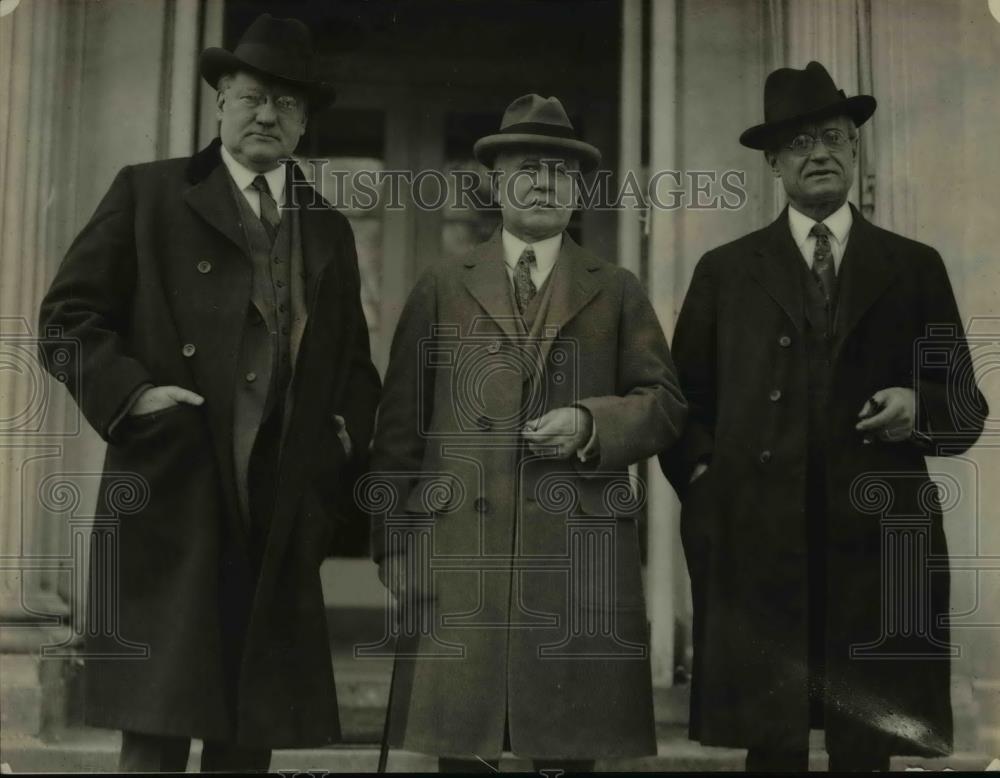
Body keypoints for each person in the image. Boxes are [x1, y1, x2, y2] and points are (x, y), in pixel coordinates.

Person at [37, 14, 380, 773]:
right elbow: (66, 319)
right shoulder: (150, 193)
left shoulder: (327, 229)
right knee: (156, 733)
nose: (268, 115)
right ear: (221, 99)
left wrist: (338, 444)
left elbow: (354, 367)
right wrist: (135, 400)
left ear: (304, 123)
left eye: (288, 105)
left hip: (276, 507)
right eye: (254, 95)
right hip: (176, 489)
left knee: (246, 736)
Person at [662, 61, 988, 772]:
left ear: (855, 149)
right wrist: (710, 478)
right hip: (758, 539)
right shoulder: (727, 271)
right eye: (802, 142)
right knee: (771, 741)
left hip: (873, 542)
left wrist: (917, 407)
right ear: (774, 162)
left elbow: (964, 406)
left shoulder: (914, 266)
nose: (821, 153)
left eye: (836, 137)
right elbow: (681, 405)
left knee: (865, 743)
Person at [369, 93, 687, 772]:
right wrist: (393, 548)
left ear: (578, 189)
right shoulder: (440, 286)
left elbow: (665, 403)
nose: (543, 182)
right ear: (495, 181)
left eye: (559, 171)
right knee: (464, 749)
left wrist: (591, 422)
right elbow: (398, 430)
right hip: (461, 556)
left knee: (567, 749)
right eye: (525, 168)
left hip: (576, 561)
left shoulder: (618, 287)